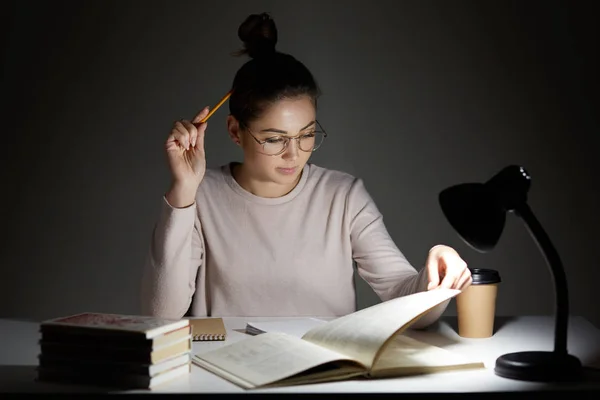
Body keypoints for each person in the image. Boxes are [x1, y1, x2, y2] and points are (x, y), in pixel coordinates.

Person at [140, 12, 472, 328]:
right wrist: (183, 190)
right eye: (274, 139)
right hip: (226, 377)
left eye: (307, 135)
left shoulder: (343, 197)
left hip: (322, 377)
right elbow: (161, 314)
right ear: (234, 130)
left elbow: (404, 297)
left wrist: (437, 273)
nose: (294, 154)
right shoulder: (203, 197)